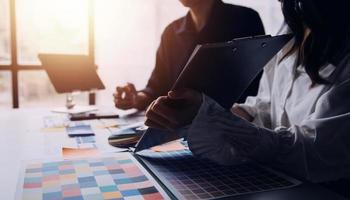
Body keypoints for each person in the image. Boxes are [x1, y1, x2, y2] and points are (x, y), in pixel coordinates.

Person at [145, 0, 350, 185]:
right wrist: (205, 113)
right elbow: (265, 107)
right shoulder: (292, 25)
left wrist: (213, 119)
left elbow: (315, 153)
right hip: (276, 178)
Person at [114, 0, 265, 110]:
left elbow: (257, 88)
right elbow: (157, 88)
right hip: (178, 130)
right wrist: (136, 99)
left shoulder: (245, 20)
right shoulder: (171, 33)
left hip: (232, 127)